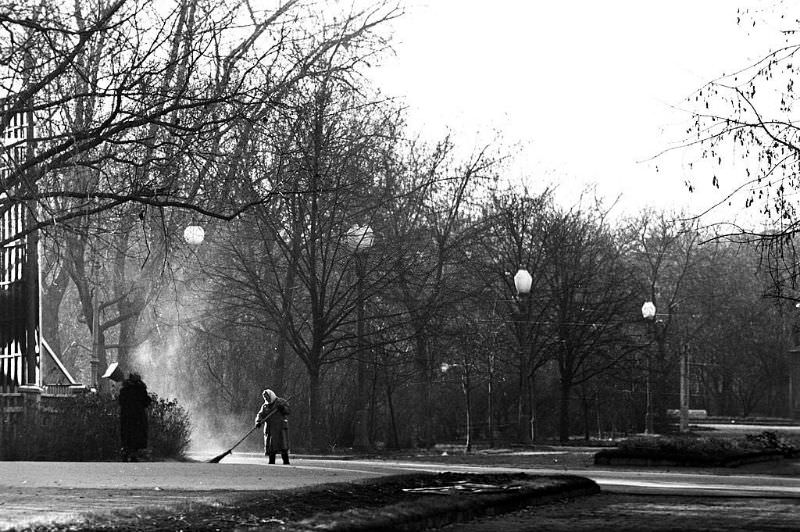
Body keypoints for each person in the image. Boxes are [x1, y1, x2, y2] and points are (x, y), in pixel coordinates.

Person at [118, 372, 152, 462]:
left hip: (126, 416)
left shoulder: (124, 389)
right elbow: (146, 402)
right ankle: (134, 454)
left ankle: (125, 452)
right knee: (137, 435)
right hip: (138, 416)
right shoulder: (140, 389)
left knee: (126, 434)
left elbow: (120, 401)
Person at [254, 389, 290, 464]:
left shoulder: (281, 402)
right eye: (265, 398)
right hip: (270, 429)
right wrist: (258, 422)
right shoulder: (265, 406)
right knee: (271, 446)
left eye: (267, 397)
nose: (266, 399)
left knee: (283, 445)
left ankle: (286, 461)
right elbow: (260, 414)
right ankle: (271, 462)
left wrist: (283, 408)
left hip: (280, 428)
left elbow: (288, 410)